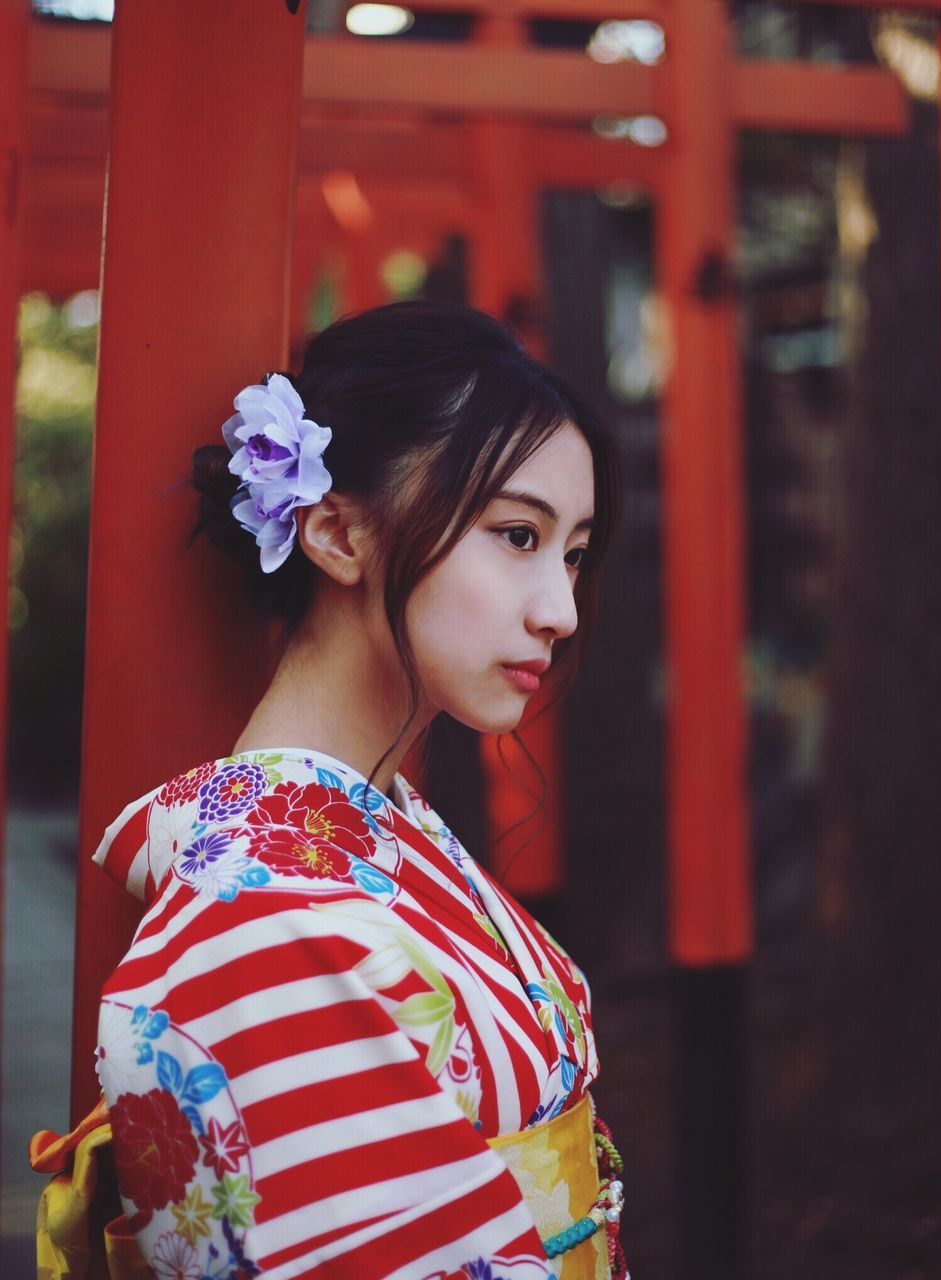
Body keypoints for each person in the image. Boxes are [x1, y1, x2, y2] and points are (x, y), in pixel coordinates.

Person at [92, 300, 626, 1280]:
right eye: (516, 534)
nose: (558, 608)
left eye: (573, 552)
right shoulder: (262, 923)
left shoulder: (368, 842)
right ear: (335, 530)